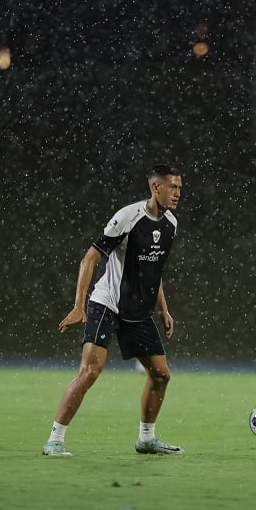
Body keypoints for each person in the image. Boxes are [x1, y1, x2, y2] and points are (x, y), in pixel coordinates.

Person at [43, 164, 184, 457]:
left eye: (180, 188)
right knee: (90, 372)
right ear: (155, 187)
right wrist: (79, 306)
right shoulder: (128, 217)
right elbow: (89, 259)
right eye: (172, 187)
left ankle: (146, 439)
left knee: (161, 375)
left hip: (139, 312)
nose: (177, 193)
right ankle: (54, 440)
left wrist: (164, 309)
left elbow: (154, 271)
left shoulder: (170, 223)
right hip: (107, 304)